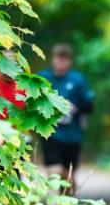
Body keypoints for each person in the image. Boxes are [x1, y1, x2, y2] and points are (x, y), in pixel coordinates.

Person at [39, 43, 94, 195]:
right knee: (53, 171)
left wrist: (75, 109)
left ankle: (69, 202)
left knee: (67, 174)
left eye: (64, 59)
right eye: (58, 58)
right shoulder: (43, 78)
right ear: (52, 59)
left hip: (72, 136)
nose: (60, 62)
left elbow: (89, 106)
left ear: (69, 61)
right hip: (50, 132)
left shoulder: (78, 80)